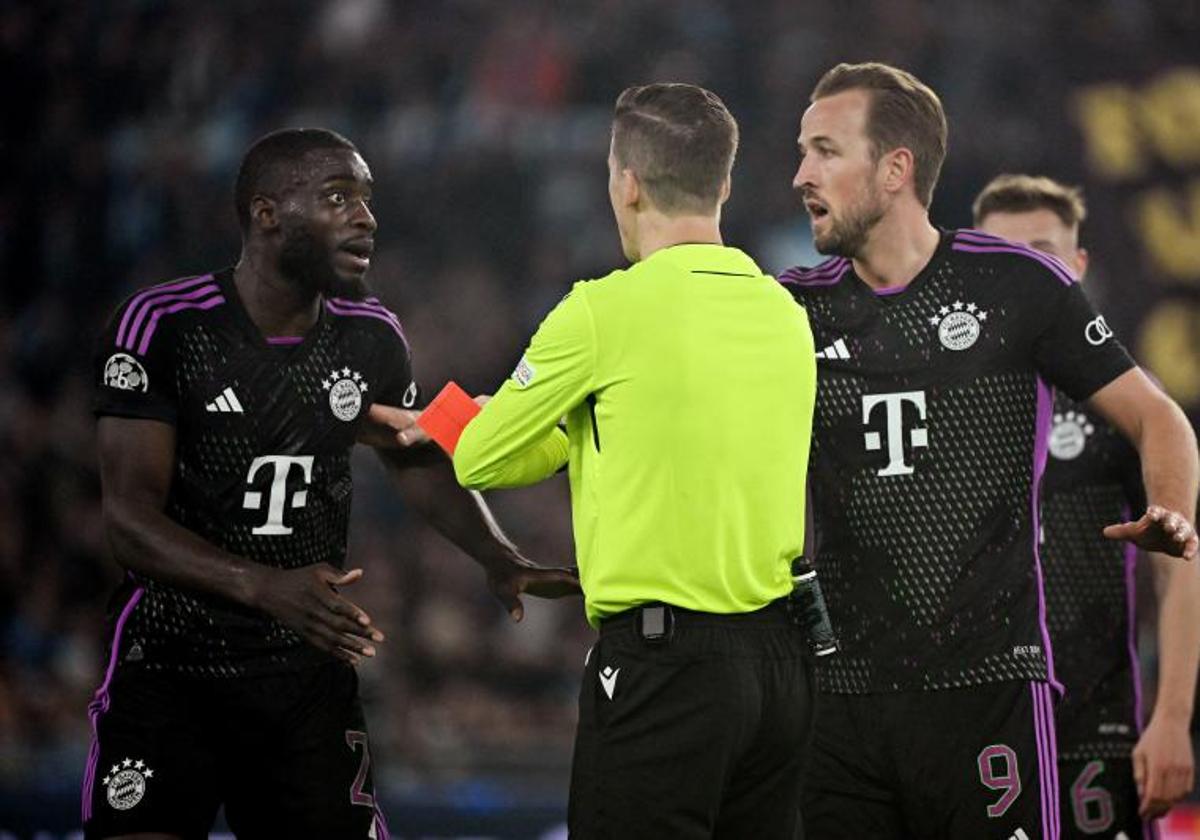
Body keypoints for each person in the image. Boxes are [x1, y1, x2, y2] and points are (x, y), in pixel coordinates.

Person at [83, 128, 579, 840]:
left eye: (368, 200)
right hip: (169, 663)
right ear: (267, 213)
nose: (365, 217)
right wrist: (266, 585)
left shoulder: (370, 334)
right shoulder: (163, 327)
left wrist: (496, 555)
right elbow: (130, 523)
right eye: (339, 197)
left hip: (304, 671)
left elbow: (412, 456)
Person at [376, 82, 819, 839]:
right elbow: (610, 435)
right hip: (779, 671)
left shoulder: (601, 311)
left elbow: (484, 461)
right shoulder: (783, 310)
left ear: (627, 183)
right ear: (724, 182)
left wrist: (451, 418)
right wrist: (533, 421)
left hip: (666, 669)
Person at [779, 62, 1199, 840]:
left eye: (826, 151)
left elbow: (1158, 418)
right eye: (804, 151)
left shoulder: (1016, 287)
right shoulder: (787, 308)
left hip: (986, 688)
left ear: (895, 168)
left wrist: (1170, 507)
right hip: (839, 697)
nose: (801, 173)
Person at [974, 173, 1200, 839]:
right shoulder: (943, 395)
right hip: (974, 728)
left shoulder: (1126, 407)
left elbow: (1180, 560)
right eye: (1005, 258)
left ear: (1076, 267)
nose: (1026, 277)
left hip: (1098, 732)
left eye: (1042, 255)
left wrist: (1171, 718)